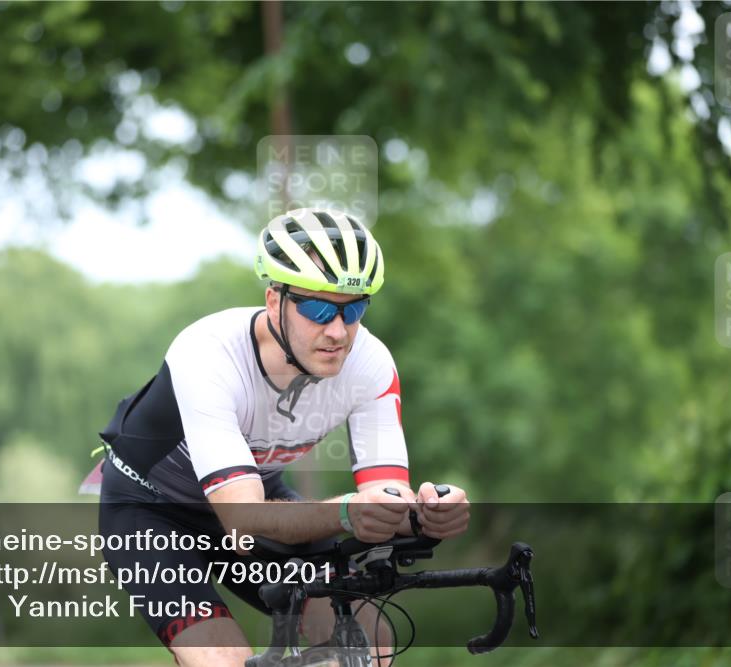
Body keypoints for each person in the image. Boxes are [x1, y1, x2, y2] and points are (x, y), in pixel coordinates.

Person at [96, 207, 470, 667]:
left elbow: (383, 498)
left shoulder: (370, 363)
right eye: (317, 308)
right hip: (151, 510)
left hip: (254, 493)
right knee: (221, 657)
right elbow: (245, 520)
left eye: (353, 308)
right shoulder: (207, 353)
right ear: (274, 301)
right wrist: (348, 511)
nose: (338, 331)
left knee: (370, 639)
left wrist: (423, 515)